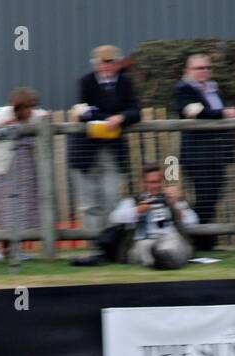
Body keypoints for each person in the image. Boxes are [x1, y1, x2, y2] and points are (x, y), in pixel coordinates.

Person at [67, 45, 142, 247]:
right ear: (96, 64)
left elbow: (136, 110)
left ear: (117, 63)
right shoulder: (86, 82)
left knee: (112, 200)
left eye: (111, 62)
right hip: (86, 153)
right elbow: (83, 111)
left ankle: (111, 245)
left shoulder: (125, 83)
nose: (107, 66)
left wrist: (122, 117)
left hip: (113, 152)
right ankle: (95, 246)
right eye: (103, 62)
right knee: (90, 204)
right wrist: (109, 118)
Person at [172, 53, 235, 251]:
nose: (204, 71)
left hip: (216, 152)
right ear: (188, 71)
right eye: (199, 68)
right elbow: (194, 112)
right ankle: (201, 239)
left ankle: (201, 237)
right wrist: (224, 113)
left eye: (207, 68)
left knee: (214, 193)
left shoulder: (212, 89)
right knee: (206, 195)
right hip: (197, 153)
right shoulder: (183, 89)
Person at [0, 87, 48, 262]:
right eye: (28, 106)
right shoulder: (2, 114)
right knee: (5, 209)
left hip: (26, 168)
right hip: (5, 168)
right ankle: (3, 250)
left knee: (23, 209)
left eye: (33, 106)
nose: (31, 110)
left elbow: (44, 121)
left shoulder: (36, 116)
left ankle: (16, 248)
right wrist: (5, 125)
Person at [107, 163, 198, 268]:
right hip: (144, 241)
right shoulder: (133, 201)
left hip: (169, 239)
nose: (156, 186)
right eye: (152, 182)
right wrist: (137, 211)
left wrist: (175, 206)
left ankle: (164, 258)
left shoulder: (171, 198)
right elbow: (113, 218)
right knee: (145, 247)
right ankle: (165, 260)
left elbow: (193, 221)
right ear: (143, 183)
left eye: (159, 182)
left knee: (173, 241)